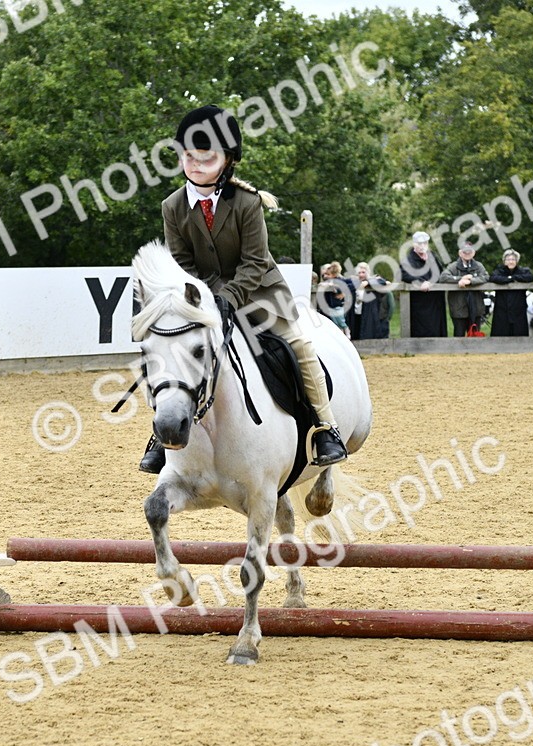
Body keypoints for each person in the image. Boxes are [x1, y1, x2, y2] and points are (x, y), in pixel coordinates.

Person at [140, 104, 347, 474]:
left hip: (259, 295)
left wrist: (227, 298)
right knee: (171, 349)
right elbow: (181, 264)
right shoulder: (172, 206)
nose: (195, 165)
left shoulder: (247, 203)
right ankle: (163, 432)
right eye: (189, 156)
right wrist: (205, 300)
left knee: (298, 345)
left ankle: (324, 427)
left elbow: (254, 262)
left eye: (206, 158)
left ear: (227, 160)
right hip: (203, 299)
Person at [402, 231, 447, 337]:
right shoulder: (408, 260)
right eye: (419, 243)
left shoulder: (433, 256)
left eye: (425, 243)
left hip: (436, 301)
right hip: (420, 303)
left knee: (437, 331)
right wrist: (420, 282)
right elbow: (404, 275)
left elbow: (441, 273)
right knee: (421, 331)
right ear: (414, 244)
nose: (422, 246)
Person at [438, 243, 489, 336]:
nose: (467, 253)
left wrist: (471, 281)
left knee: (475, 335)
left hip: (476, 308)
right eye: (465, 252)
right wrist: (460, 279)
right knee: (459, 335)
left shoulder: (478, 266)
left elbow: (485, 277)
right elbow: (443, 277)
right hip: (459, 308)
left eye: (469, 251)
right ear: (460, 253)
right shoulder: (453, 266)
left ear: (474, 253)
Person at [489, 249, 533, 336]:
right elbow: (493, 278)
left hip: (518, 308)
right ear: (504, 261)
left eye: (513, 259)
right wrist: (510, 279)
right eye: (508, 259)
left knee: (519, 333)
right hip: (502, 308)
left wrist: (513, 277)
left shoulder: (523, 271)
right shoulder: (499, 271)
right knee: (500, 333)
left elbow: (530, 277)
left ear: (517, 261)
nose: (511, 262)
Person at [351, 262, 392, 339]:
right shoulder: (354, 283)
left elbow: (382, 281)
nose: (361, 275)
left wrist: (367, 282)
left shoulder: (373, 281)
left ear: (367, 272)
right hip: (356, 314)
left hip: (369, 314)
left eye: (363, 272)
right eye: (359, 273)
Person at [315, 261, 351, 338]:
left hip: (337, 304)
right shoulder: (328, 281)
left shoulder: (339, 280)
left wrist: (337, 289)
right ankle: (341, 333)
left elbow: (344, 285)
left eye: (328, 274)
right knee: (336, 321)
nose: (326, 276)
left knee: (340, 319)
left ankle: (346, 329)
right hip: (330, 306)